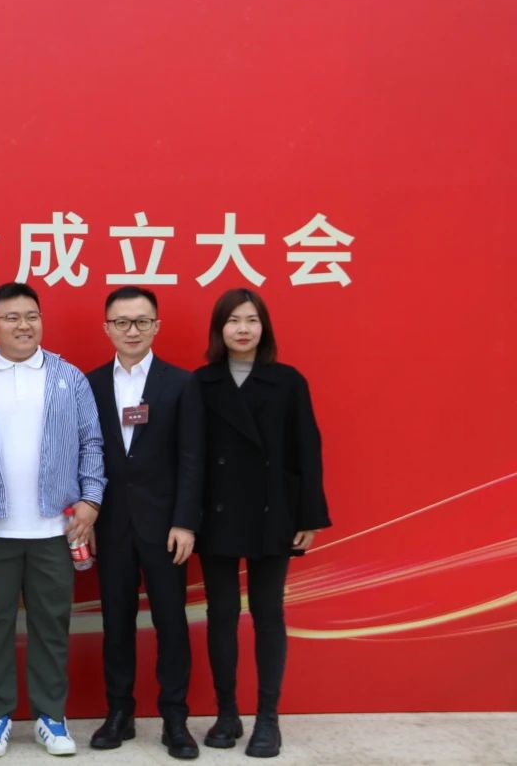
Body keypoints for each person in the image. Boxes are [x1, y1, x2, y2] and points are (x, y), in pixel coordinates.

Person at [0, 282, 106, 759]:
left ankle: (51, 716)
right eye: (11, 317)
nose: (23, 325)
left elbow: (91, 442)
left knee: (52, 626)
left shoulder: (69, 377)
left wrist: (91, 501)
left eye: (32, 315)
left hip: (54, 530)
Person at [194, 289, 330, 759]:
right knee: (221, 615)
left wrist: (310, 515)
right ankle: (227, 713)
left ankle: (268, 719)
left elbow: (307, 449)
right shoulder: (202, 383)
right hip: (217, 513)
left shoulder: (288, 381)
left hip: (274, 511)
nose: (243, 329)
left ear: (264, 327)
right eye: (233, 320)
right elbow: (191, 456)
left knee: (269, 614)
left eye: (252, 320)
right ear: (220, 329)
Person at [85, 286, 203, 760]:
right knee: (116, 623)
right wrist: (86, 515)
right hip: (111, 524)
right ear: (106, 328)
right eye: (121, 322)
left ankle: (175, 718)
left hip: (165, 528)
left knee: (171, 623)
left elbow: (192, 459)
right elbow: (84, 453)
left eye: (141, 321)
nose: (131, 330)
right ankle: (120, 713)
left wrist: (185, 522)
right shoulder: (90, 383)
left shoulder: (182, 383)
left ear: (156, 326)